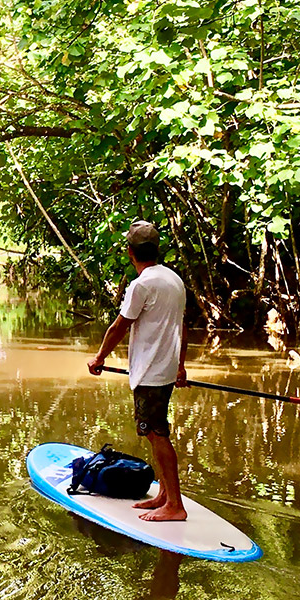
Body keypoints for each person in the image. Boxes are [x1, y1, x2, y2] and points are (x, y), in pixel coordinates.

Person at [86, 220, 190, 522]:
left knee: (157, 434)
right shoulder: (174, 280)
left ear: (130, 252)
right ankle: (164, 495)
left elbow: (120, 325)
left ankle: (175, 506)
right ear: (156, 250)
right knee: (153, 432)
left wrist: (99, 358)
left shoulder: (142, 284)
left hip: (151, 373)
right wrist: (180, 365)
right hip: (166, 369)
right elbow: (182, 327)